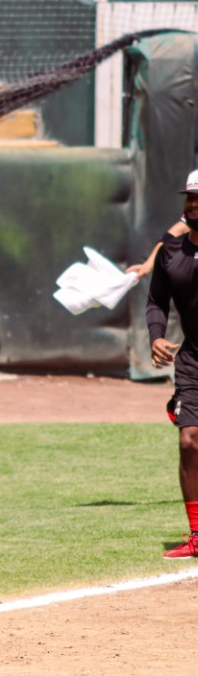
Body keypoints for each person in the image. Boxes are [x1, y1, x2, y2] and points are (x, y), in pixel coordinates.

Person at [147, 170, 198, 559]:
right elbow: (156, 302)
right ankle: (197, 534)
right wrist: (156, 336)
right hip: (192, 359)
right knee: (189, 439)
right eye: (189, 198)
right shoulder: (170, 252)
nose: (193, 205)